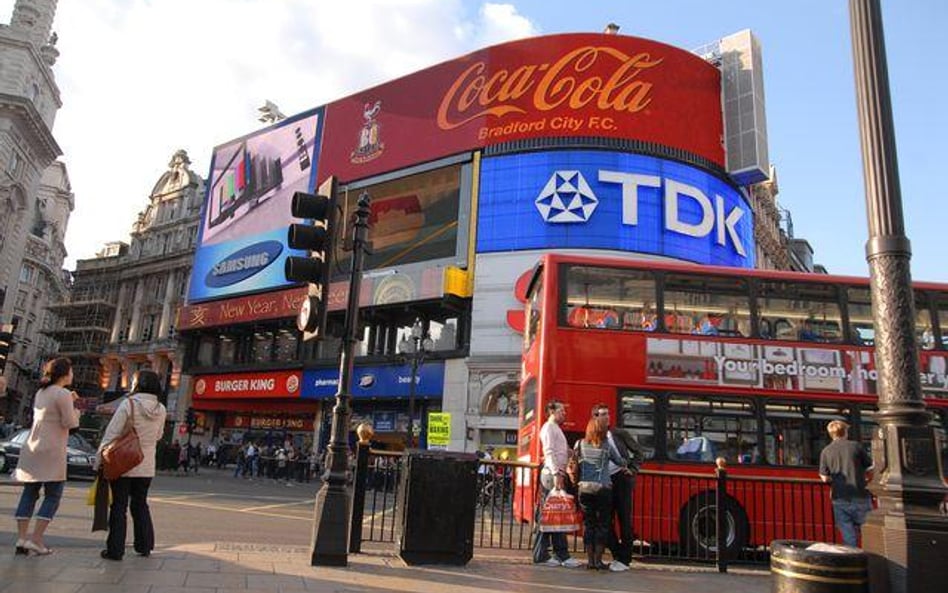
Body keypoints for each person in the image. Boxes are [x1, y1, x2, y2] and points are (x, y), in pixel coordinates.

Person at [12, 357, 81, 556]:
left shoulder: (41, 392)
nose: (73, 374)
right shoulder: (63, 394)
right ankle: (37, 539)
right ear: (64, 373)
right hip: (52, 450)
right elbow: (70, 423)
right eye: (71, 370)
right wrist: (75, 408)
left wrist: (70, 400)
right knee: (53, 495)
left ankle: (22, 538)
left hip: (33, 448)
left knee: (29, 493)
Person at [96, 370, 167, 561]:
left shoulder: (128, 404)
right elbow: (159, 435)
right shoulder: (161, 409)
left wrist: (98, 459)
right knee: (140, 504)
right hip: (146, 465)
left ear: (137, 384)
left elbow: (112, 433)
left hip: (123, 463)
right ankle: (144, 545)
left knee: (119, 507)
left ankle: (115, 550)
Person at [593, 403, 645, 571]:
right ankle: (617, 555)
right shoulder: (593, 437)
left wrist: (632, 469)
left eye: (608, 413)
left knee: (624, 519)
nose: (607, 417)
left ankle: (625, 560)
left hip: (621, 479)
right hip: (604, 482)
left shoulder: (619, 434)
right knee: (605, 521)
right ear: (595, 417)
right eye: (602, 414)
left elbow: (639, 452)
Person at [532, 400, 582, 568]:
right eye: (562, 410)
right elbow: (549, 452)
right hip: (553, 475)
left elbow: (560, 451)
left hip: (555, 474)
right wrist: (557, 474)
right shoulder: (549, 428)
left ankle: (547, 554)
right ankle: (559, 554)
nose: (564, 414)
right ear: (552, 411)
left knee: (552, 515)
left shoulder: (555, 429)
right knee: (553, 515)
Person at [574, 418, 625, 570]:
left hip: (584, 488)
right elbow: (619, 461)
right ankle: (598, 561)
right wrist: (625, 462)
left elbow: (575, 461)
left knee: (589, 524)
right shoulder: (607, 446)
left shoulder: (580, 444)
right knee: (603, 525)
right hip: (603, 488)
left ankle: (590, 561)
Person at [818, 420, 873, 547]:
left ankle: (853, 560)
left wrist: (835, 481)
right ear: (845, 432)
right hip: (860, 494)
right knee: (868, 531)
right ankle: (872, 559)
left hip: (840, 497)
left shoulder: (826, 451)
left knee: (848, 535)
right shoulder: (856, 446)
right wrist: (867, 481)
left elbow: (824, 478)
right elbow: (870, 469)